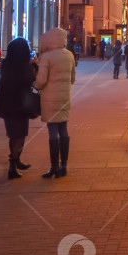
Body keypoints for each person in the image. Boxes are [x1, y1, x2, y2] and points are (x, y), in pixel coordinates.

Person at [34, 27, 76, 179]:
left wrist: (35, 86)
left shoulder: (46, 57)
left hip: (50, 100)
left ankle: (54, 167)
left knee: (53, 132)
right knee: (63, 130)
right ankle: (64, 166)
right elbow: (72, 79)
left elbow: (41, 81)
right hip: (64, 98)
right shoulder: (70, 55)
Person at [0, 38, 35, 179]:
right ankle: (13, 166)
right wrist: (34, 66)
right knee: (20, 136)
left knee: (13, 135)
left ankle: (16, 162)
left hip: (7, 105)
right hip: (20, 106)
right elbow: (32, 81)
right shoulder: (25, 67)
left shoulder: (6, 64)